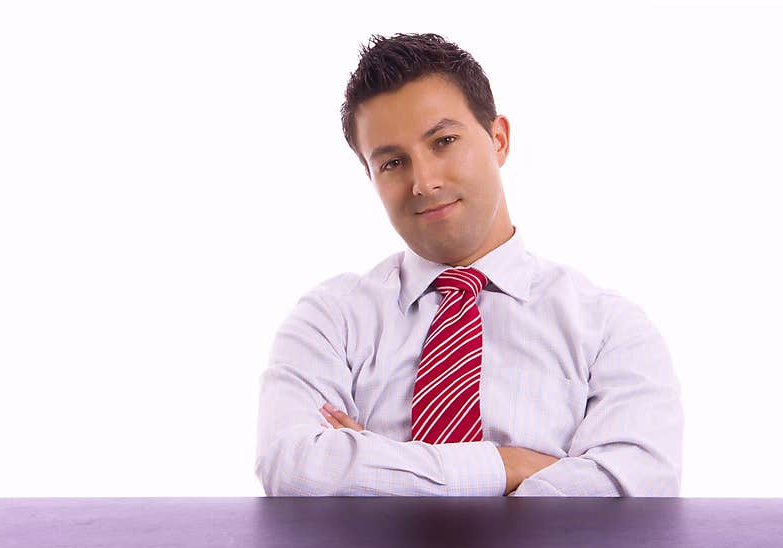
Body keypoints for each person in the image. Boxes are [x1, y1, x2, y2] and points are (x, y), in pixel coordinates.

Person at [256, 33, 683, 497]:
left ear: (498, 139)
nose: (423, 181)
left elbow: (633, 492)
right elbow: (294, 469)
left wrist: (375, 469)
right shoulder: (331, 319)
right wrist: (511, 465)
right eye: (393, 162)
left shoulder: (608, 328)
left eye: (444, 141)